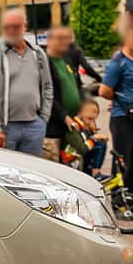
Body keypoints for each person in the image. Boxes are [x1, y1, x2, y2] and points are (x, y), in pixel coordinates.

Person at [0, 7, 52, 154]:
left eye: (16, 27)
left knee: (32, 172)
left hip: (34, 126)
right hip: (4, 129)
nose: (11, 31)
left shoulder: (38, 54)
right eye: (7, 28)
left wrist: (43, 119)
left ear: (25, 27)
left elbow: (48, 86)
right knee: (3, 173)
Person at [99, 22, 133, 191]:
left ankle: (132, 198)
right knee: (123, 160)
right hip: (122, 117)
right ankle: (118, 200)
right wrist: (123, 101)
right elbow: (104, 90)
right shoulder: (118, 62)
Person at [41, 26, 86, 162]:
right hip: (53, 129)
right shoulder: (44, 62)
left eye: (66, 39)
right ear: (49, 40)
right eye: (60, 39)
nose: (65, 42)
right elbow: (46, 93)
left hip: (71, 128)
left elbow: (77, 86)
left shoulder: (66, 61)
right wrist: (63, 116)